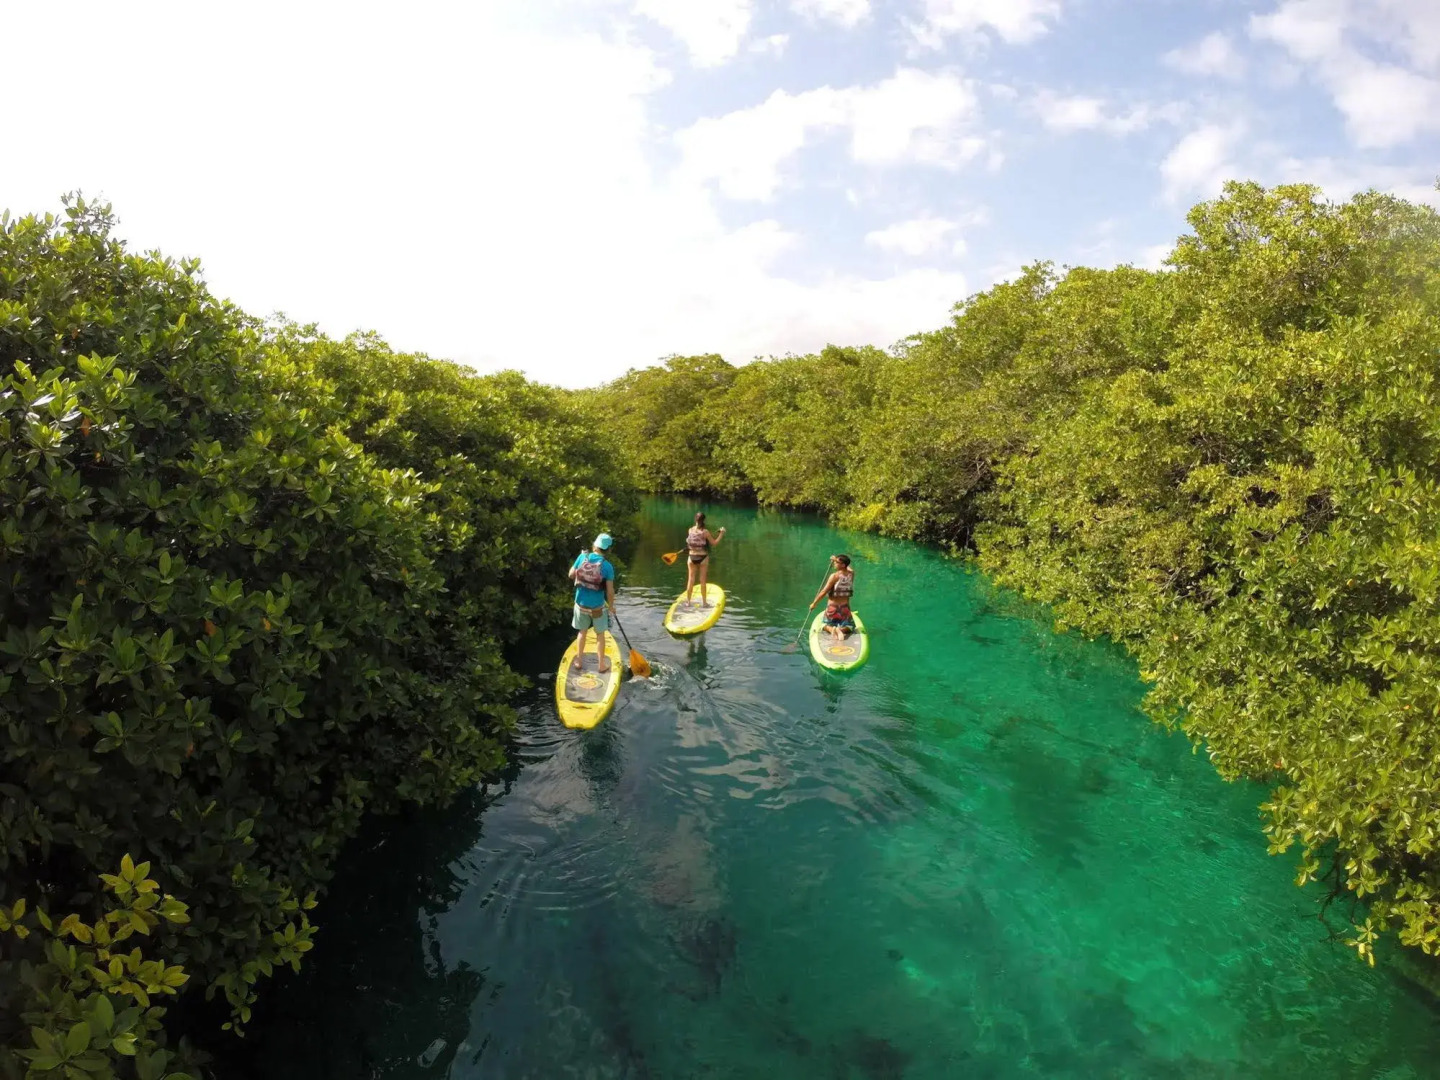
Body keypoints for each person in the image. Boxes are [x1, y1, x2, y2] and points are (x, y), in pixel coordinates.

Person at [568, 533, 617, 673]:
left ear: (595, 545)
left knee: (582, 632)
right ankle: (601, 665)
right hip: (597, 608)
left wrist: (580, 561)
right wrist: (611, 607)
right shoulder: (607, 566)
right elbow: (610, 591)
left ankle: (579, 661)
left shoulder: (582, 557)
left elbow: (571, 575)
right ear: (608, 550)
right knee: (600, 635)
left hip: (581, 605)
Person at [808, 553, 855, 641]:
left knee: (824, 625)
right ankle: (841, 630)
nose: (834, 563)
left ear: (843, 565)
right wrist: (836, 559)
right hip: (845, 608)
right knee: (850, 627)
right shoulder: (851, 574)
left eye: (836, 562)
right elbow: (848, 568)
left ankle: (831, 629)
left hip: (832, 608)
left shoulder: (834, 576)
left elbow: (824, 591)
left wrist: (814, 603)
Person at [683, 512, 725, 608]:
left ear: (695, 519)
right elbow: (714, 543)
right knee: (702, 581)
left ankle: (688, 602)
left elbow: (691, 542)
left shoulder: (690, 530)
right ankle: (704, 603)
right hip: (702, 558)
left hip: (691, 557)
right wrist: (721, 533)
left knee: (691, 580)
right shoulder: (705, 532)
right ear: (704, 520)